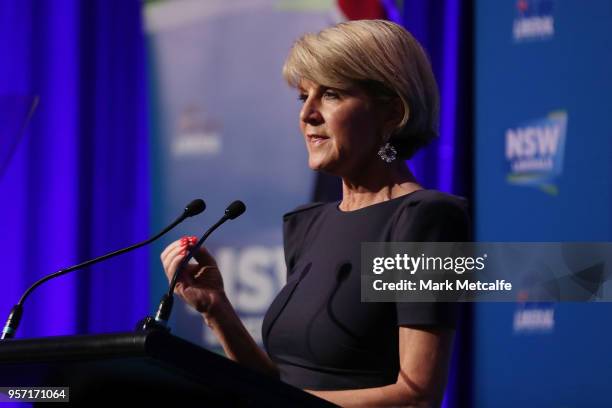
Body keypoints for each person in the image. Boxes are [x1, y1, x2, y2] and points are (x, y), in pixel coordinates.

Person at [161, 19, 469, 407]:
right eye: (303, 96)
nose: (307, 114)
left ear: (391, 112)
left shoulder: (424, 219)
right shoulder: (307, 225)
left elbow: (417, 396)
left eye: (332, 94)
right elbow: (275, 385)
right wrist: (216, 308)